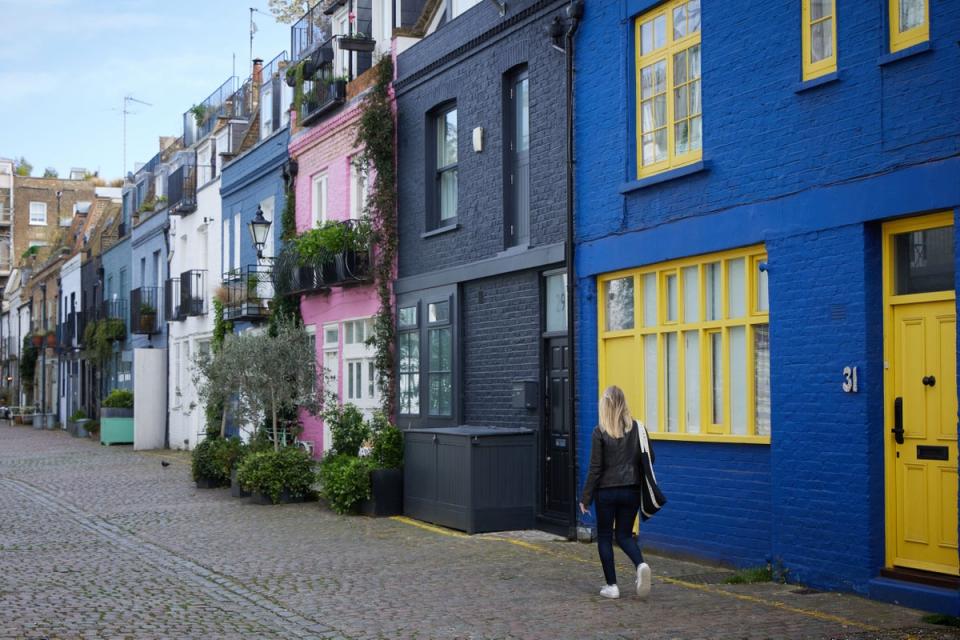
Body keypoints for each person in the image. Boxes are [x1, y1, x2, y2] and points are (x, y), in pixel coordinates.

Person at [579, 385, 664, 600]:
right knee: (625, 535)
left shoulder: (599, 432)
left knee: (605, 537)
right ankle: (641, 564)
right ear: (623, 403)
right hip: (632, 490)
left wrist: (585, 498)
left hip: (606, 493)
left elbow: (595, 468)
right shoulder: (638, 428)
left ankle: (612, 586)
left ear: (605, 406)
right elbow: (650, 458)